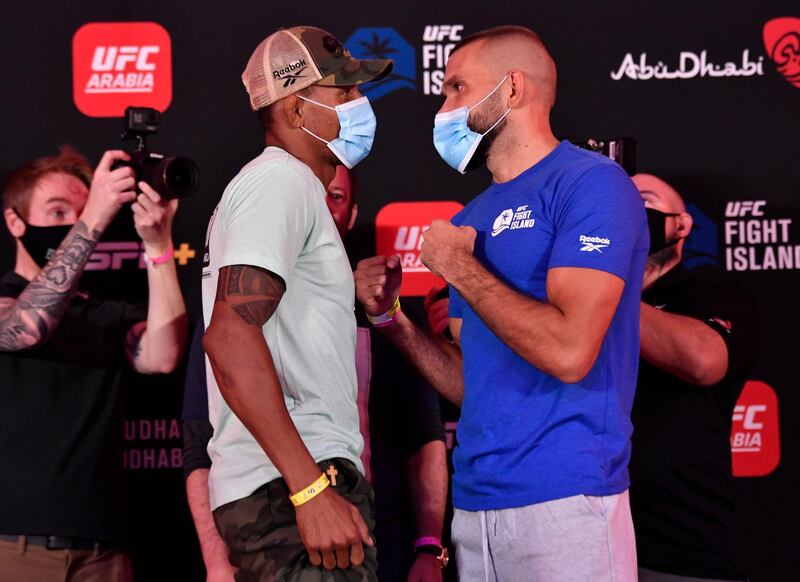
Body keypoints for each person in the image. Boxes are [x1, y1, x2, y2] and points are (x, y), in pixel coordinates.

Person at [354, 25, 648, 581]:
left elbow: (569, 351)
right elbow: (472, 382)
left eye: (457, 88)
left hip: (567, 498)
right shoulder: (471, 221)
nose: (442, 108)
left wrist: (460, 267)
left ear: (512, 89)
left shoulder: (592, 185)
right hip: (476, 507)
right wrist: (391, 320)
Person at [185, 165, 449, 581]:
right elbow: (203, 442)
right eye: (312, 191)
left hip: (385, 536)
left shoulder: (385, 310)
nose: (322, 202)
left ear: (352, 212)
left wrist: (429, 546)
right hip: (288, 522)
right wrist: (218, 564)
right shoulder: (238, 303)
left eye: (337, 196)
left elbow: (423, 435)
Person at [201, 26, 393, 580]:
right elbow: (229, 337)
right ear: (293, 109)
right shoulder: (280, 181)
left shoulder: (291, 188)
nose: (360, 106)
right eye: (344, 93)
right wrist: (310, 489)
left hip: (290, 480)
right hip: (290, 485)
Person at [0, 146, 187, 581]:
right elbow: (26, 328)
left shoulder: (107, 314)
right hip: (14, 549)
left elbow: (163, 357)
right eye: (57, 211)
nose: (71, 223)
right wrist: (95, 216)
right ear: (15, 221)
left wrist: (159, 244)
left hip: (103, 555)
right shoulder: (6, 303)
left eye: (80, 211)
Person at [629, 174, 758, 582]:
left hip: (682, 551)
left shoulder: (713, 290)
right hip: (582, 542)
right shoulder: (568, 296)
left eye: (644, 201)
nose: (630, 212)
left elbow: (703, 359)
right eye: (619, 201)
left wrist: (601, 289)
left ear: (680, 225)